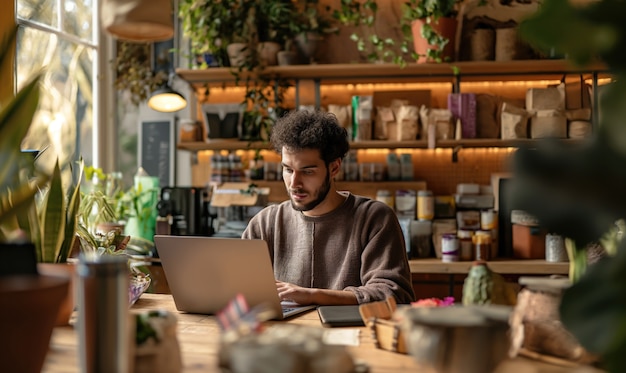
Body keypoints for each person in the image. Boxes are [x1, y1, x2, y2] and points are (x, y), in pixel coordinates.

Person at [242, 109, 415, 306]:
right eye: (288, 169)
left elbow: (393, 294)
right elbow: (237, 288)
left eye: (307, 172)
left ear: (334, 168)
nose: (294, 183)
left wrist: (312, 296)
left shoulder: (374, 218)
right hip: (283, 336)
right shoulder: (265, 223)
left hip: (350, 336)